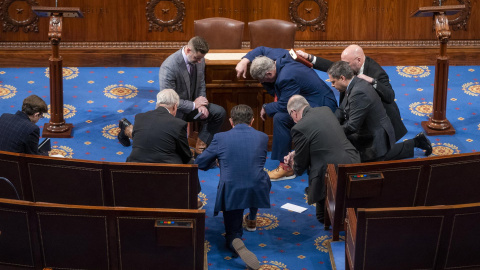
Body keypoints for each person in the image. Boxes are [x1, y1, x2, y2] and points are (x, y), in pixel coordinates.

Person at [297, 45, 432, 158]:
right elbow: (336, 68)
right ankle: (415, 142)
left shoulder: (376, 72)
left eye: (347, 64)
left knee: (376, 154)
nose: (345, 67)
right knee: (370, 152)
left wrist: (373, 82)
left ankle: (415, 143)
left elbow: (390, 96)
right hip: (359, 111)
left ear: (359, 60)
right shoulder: (350, 67)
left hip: (380, 117)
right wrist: (310, 58)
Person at [236, 46, 337, 180]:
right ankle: (289, 162)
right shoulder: (277, 56)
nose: (263, 84)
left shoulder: (286, 77)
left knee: (281, 118)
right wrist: (244, 60)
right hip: (311, 97)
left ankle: (287, 168)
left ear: (269, 74)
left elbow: (285, 105)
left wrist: (266, 107)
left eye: (264, 81)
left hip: (321, 106)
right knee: (281, 117)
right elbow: (261, 49)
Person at [118, 36, 226, 156]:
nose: (200, 62)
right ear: (188, 50)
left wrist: (202, 104)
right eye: (197, 58)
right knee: (158, 142)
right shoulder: (169, 66)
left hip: (192, 107)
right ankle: (127, 129)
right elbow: (169, 101)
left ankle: (201, 149)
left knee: (218, 113)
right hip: (174, 111)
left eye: (201, 58)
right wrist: (194, 104)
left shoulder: (199, 60)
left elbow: (201, 84)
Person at [195, 105, 270, 269]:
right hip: (258, 187)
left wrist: (215, 162)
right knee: (260, 176)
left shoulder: (220, 137)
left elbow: (200, 162)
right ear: (252, 121)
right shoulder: (263, 137)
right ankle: (251, 218)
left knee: (233, 232)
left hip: (232, 191)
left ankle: (235, 240)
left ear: (230, 121)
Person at [284, 95, 360, 224]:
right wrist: (296, 152)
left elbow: (300, 166)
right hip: (353, 160)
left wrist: (293, 163)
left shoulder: (299, 128)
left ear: (293, 112)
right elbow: (320, 137)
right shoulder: (325, 110)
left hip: (333, 172)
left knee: (322, 217)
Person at [327, 61, 396, 162]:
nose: (332, 85)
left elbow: (352, 126)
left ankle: (413, 143)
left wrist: (331, 132)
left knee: (351, 161)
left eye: (333, 82)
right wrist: (331, 124)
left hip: (374, 142)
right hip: (366, 129)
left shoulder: (359, 92)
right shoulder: (353, 83)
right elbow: (341, 109)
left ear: (342, 78)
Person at [125, 89, 192, 164]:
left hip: (135, 165)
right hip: (165, 170)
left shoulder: (139, 117)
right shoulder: (178, 124)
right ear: (175, 106)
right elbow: (185, 155)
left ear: (157, 104)